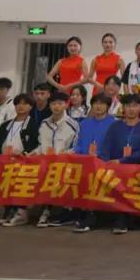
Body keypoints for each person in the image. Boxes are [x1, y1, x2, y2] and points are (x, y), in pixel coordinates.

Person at [101, 93, 140, 235]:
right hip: (114, 167)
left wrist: (122, 161)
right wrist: (105, 163)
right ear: (123, 108)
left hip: (135, 168)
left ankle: (122, 219)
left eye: (135, 106)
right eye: (128, 106)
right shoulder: (115, 126)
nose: (131, 109)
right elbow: (106, 147)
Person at [72, 93, 117, 233]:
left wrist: (100, 157)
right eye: (96, 103)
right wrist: (80, 155)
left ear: (108, 106)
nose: (98, 106)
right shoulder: (84, 123)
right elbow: (78, 144)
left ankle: (91, 216)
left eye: (102, 104)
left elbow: (114, 146)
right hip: (84, 162)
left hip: (104, 163)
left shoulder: (114, 124)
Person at [34, 91, 79, 228]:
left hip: (64, 163)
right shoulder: (44, 123)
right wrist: (31, 154)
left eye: (60, 103)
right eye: (53, 104)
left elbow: (75, 147)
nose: (56, 107)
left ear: (66, 105)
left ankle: (50, 211)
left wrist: (62, 156)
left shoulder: (73, 124)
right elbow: (40, 145)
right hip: (44, 162)